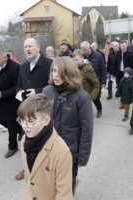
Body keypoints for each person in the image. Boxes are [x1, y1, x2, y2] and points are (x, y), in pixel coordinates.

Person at [43, 57, 93, 194]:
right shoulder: (47, 91)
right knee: (51, 181)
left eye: (61, 72)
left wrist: (83, 157)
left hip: (70, 151)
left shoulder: (82, 97)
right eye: (54, 71)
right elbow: (40, 119)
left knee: (66, 186)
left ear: (69, 73)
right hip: (49, 147)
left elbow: (87, 129)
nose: (56, 75)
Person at [18, 94, 73, 200]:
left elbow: (64, 193)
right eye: (21, 121)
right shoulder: (25, 139)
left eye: (30, 122)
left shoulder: (61, 150)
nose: (24, 126)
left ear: (46, 120)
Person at [15, 38, 53, 180]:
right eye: (25, 47)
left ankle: (48, 169)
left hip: (44, 110)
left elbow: (54, 85)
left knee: (45, 140)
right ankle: (28, 169)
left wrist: (37, 91)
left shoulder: (49, 64)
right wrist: (20, 92)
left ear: (38, 47)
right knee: (29, 140)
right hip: (28, 110)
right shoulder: (23, 66)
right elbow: (18, 84)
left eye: (30, 46)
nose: (27, 49)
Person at [0, 49, 21, 158]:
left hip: (11, 99)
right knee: (0, 119)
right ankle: (22, 130)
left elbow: (17, 87)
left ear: (5, 58)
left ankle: (12, 147)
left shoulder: (15, 67)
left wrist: (3, 94)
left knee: (10, 123)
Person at [81, 41, 107, 118]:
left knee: (95, 98)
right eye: (81, 49)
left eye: (84, 49)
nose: (82, 51)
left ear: (89, 48)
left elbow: (103, 69)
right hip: (85, 81)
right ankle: (86, 112)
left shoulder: (98, 55)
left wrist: (103, 82)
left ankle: (99, 109)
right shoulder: (82, 56)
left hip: (96, 82)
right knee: (85, 97)